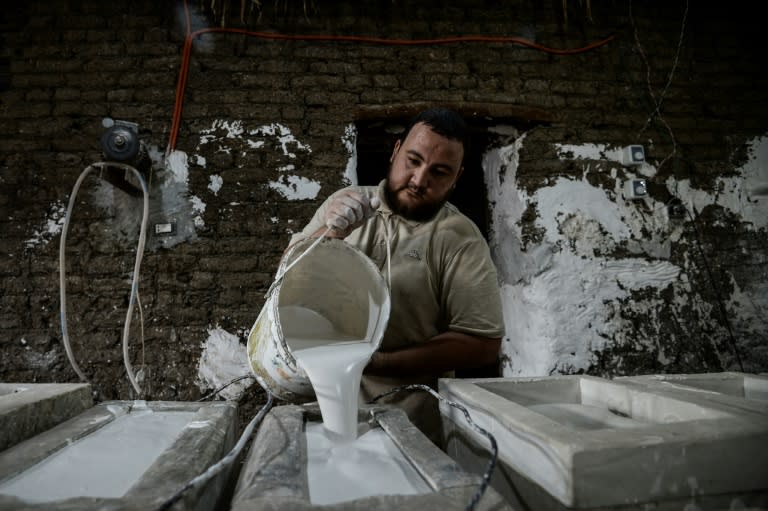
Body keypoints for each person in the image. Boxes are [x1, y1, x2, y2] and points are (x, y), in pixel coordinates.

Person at [287, 107, 505, 445]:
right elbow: (286, 284)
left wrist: (376, 362)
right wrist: (327, 237)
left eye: (439, 172)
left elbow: (482, 343)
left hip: (408, 424)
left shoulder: (458, 238)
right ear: (395, 151)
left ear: (457, 176)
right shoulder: (344, 205)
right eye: (413, 161)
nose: (419, 181)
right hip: (319, 409)